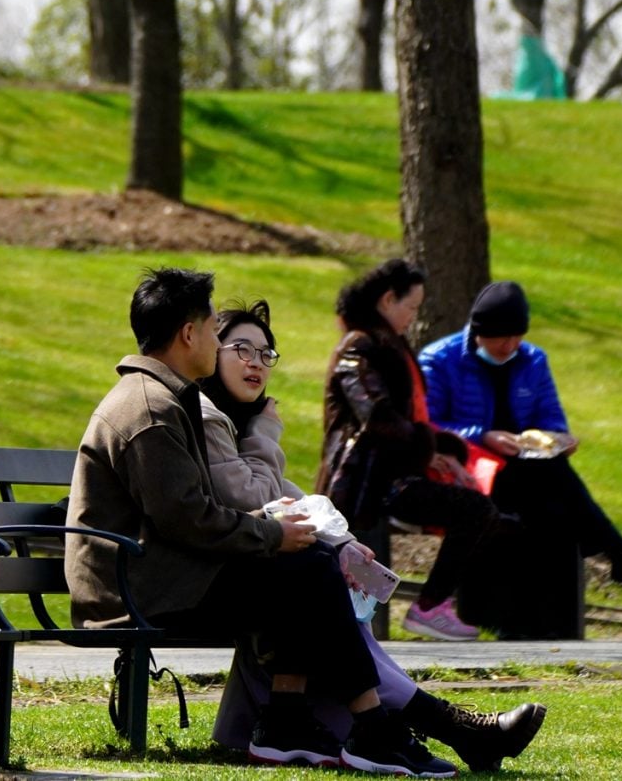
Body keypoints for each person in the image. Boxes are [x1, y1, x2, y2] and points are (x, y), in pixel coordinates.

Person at [69, 267, 449, 774]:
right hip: (138, 590)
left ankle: (292, 720)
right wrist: (271, 535)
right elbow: (190, 519)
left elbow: (193, 514)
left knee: (306, 564)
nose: (214, 339)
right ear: (188, 334)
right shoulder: (150, 409)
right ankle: (369, 726)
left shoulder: (161, 398)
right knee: (303, 568)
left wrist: (283, 535)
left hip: (157, 573)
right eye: (211, 329)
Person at [200, 300, 547, 773]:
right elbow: (253, 496)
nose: (255, 363)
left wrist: (343, 543)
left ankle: (309, 724)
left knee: (324, 580)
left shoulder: (240, 423)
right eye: (241, 348)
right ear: (205, 350)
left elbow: (286, 497)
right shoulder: (208, 419)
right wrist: (265, 432)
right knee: (314, 584)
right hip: (215, 580)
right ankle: (451, 728)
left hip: (257, 571)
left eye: (265, 354)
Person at [420, 280, 622, 600]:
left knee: (553, 482)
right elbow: (429, 425)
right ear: (479, 332)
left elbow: (550, 415)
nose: (510, 345)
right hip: (470, 467)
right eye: (502, 337)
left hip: (524, 466)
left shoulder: (533, 360)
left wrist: (557, 438)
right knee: (554, 484)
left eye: (517, 337)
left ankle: (608, 562)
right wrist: (483, 436)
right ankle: (618, 552)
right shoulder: (439, 360)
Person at [320, 258, 499, 642]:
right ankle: (429, 607)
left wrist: (442, 450)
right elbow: (377, 415)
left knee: (484, 507)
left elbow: (409, 419)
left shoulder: (391, 346)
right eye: (412, 307)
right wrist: (427, 446)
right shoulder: (359, 346)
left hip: (396, 474)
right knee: (474, 508)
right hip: (368, 483)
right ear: (388, 300)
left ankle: (428, 606)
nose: (413, 317)